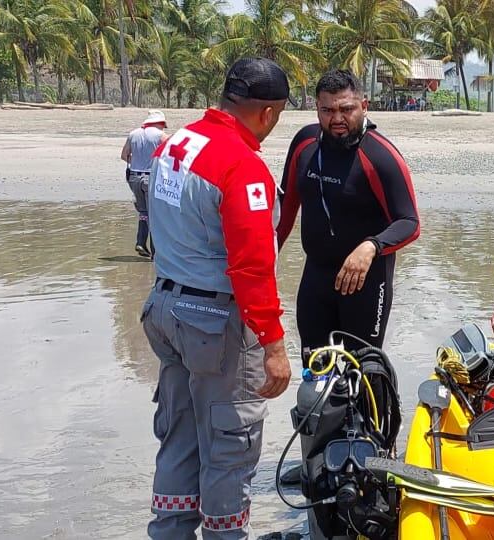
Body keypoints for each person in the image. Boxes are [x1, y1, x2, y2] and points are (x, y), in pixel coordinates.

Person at [140, 57, 292, 540]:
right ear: (267, 113)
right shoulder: (242, 166)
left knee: (180, 436)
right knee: (230, 441)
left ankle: (170, 530)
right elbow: (252, 266)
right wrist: (273, 344)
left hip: (165, 308)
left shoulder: (177, 143)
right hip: (213, 322)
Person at [276, 68, 420, 355]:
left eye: (347, 109)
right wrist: (265, 262)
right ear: (316, 108)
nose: (337, 119)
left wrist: (371, 246)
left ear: (363, 107)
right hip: (316, 277)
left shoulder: (379, 155)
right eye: (327, 110)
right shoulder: (305, 143)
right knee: (314, 368)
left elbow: (409, 223)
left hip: (366, 282)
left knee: (366, 371)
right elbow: (285, 211)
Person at [121, 109, 168, 257]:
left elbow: (124, 155)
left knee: (143, 212)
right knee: (154, 214)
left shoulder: (133, 134)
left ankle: (141, 243)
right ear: (160, 123)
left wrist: (138, 160)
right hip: (151, 178)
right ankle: (156, 252)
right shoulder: (161, 135)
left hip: (134, 178)